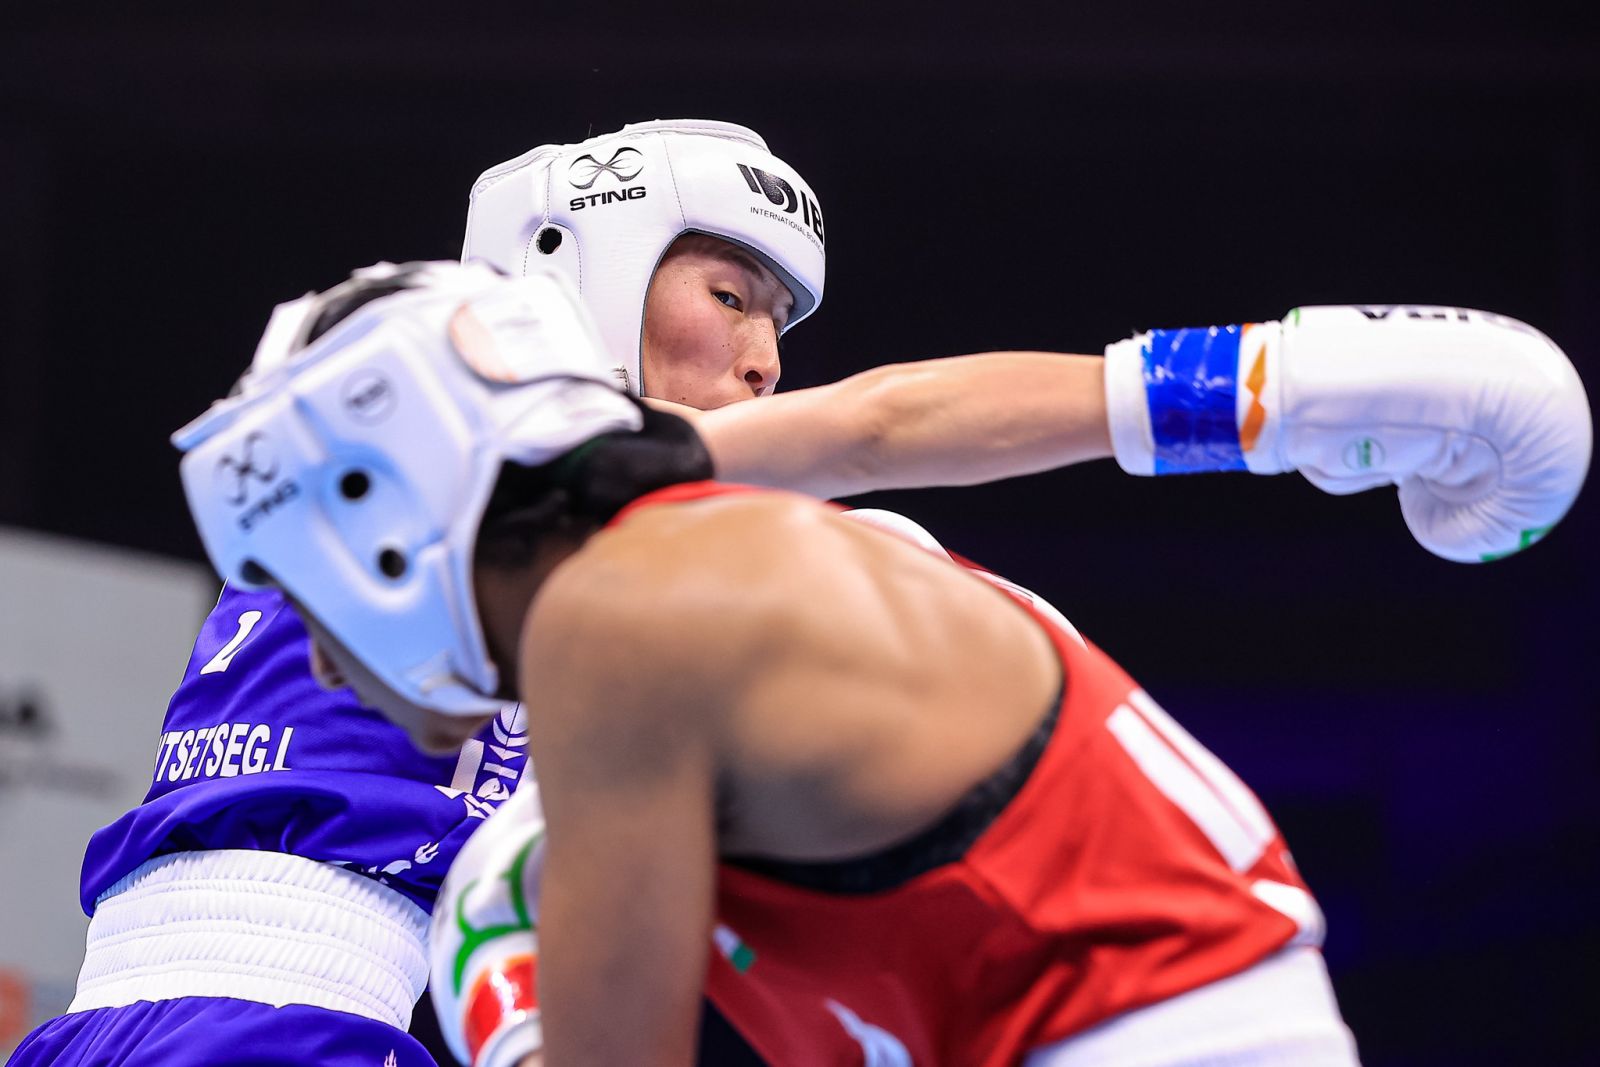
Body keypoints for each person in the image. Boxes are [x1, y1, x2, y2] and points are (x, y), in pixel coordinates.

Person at [169, 258, 1586, 1066]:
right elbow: (885, 424)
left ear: (384, 517)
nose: (328, 669)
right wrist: (1265, 388)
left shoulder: (612, 622)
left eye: (308, 595)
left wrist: (515, 1019)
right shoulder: (696, 542)